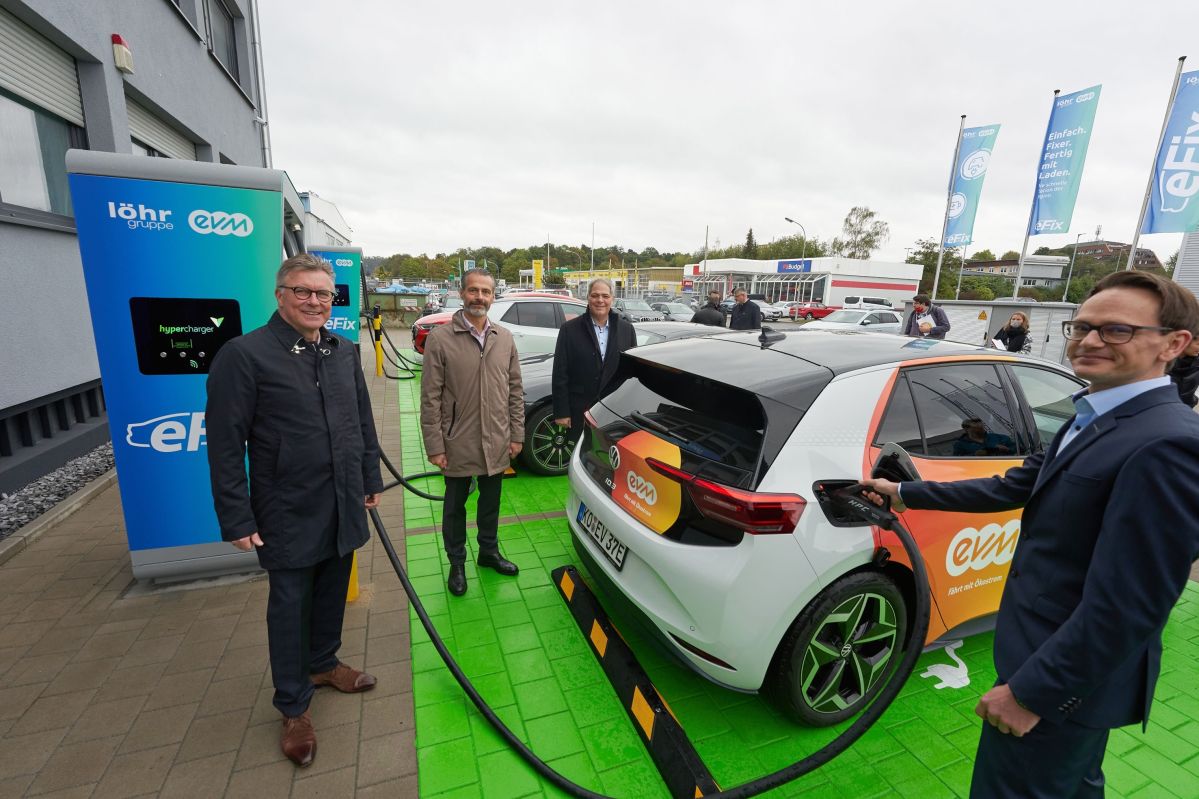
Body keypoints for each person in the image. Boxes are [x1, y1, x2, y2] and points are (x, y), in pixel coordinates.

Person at [864, 270, 1199, 798]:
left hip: (1062, 682)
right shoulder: (1094, 413)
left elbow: (1130, 605)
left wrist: (1033, 694)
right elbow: (1014, 486)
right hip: (1045, 658)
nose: (1089, 340)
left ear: (1173, 344)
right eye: (1082, 327)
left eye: (1116, 330)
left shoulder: (1166, 443)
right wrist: (905, 492)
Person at [206, 254, 383, 769]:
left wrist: (369, 478)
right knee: (289, 607)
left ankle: (323, 664)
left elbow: (362, 421)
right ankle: (292, 705)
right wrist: (237, 517)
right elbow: (224, 444)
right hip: (286, 507)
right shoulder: (245, 355)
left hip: (342, 498)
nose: (314, 302)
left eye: (323, 294)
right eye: (302, 291)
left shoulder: (341, 350)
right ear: (280, 295)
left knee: (333, 589)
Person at [420, 269, 524, 597]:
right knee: (455, 507)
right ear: (462, 293)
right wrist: (435, 445)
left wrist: (517, 435)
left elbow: (515, 390)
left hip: (497, 438)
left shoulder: (503, 338)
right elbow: (430, 397)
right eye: (474, 291)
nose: (480, 297)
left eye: (486, 292)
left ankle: (488, 552)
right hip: (457, 441)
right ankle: (457, 562)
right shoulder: (441, 339)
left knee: (490, 502)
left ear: (493, 297)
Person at [551, 278, 638, 444]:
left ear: (612, 299)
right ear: (588, 298)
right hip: (579, 410)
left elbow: (632, 373)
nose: (600, 300)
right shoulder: (569, 329)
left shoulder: (626, 329)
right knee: (581, 453)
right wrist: (561, 412)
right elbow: (560, 373)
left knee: (610, 454)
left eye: (605, 296)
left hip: (615, 411)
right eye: (595, 295)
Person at [1169, 334, 1199, 408]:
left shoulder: (1197, 364)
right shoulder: (1163, 363)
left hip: (1184, 409)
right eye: (1198, 344)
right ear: (1185, 341)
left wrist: (1193, 401)